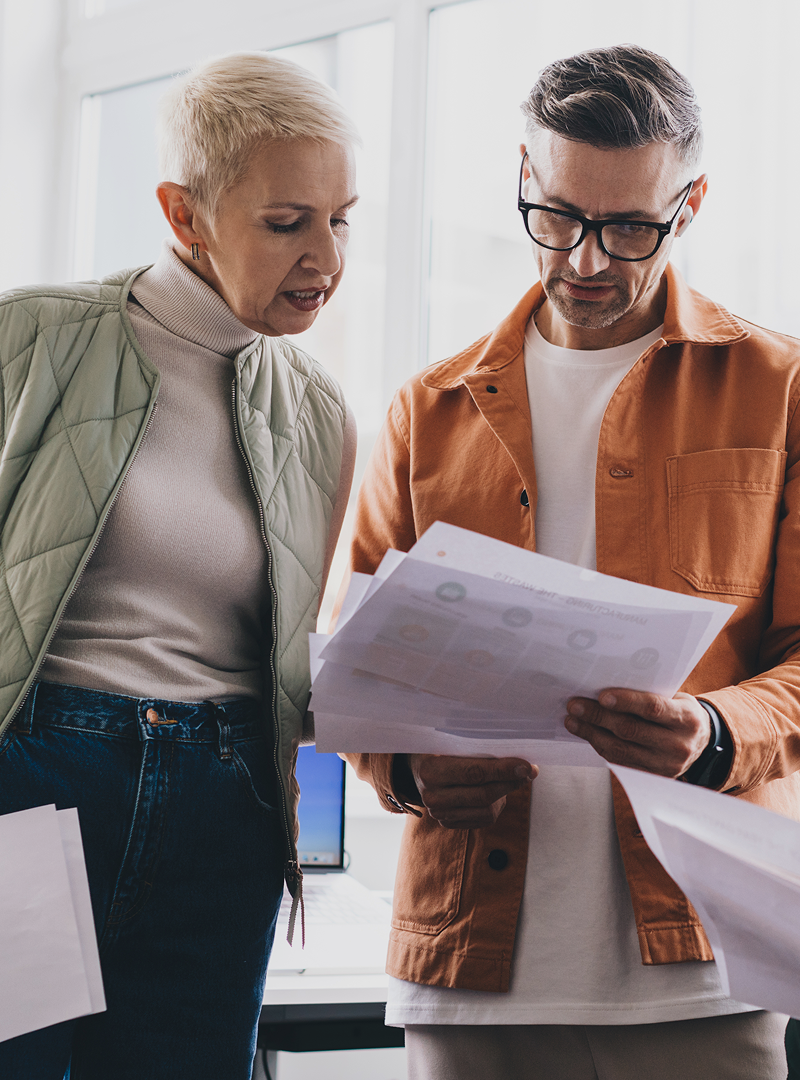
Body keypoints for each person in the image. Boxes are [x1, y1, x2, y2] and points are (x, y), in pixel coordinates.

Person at [345, 44, 799, 1080]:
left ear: (689, 206)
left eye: (628, 227)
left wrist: (717, 730)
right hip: (469, 966)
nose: (586, 260)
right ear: (522, 176)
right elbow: (350, 668)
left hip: (706, 958)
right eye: (555, 217)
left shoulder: (777, 389)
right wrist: (408, 768)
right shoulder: (427, 408)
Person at [0, 52, 358, 1080]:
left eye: (343, 218)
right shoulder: (30, 339)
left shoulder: (319, 412)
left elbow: (283, 648)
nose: (324, 256)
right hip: (36, 781)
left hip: (224, 802)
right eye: (286, 222)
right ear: (184, 212)